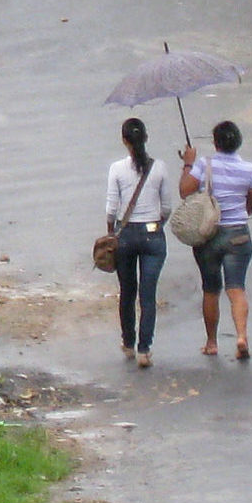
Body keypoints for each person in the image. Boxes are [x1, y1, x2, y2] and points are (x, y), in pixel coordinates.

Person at [179, 120, 252, 360]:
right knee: (237, 289)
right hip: (239, 235)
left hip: (209, 236)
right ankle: (242, 337)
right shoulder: (249, 170)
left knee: (211, 290)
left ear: (215, 143)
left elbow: (185, 191)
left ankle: (212, 342)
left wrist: (187, 163)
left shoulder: (204, 165)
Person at [104, 117, 171, 368]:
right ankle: (145, 349)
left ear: (124, 141)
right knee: (148, 294)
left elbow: (111, 208)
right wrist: (156, 226)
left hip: (126, 234)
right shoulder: (160, 168)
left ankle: (128, 343)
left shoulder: (117, 169)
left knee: (127, 292)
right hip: (153, 234)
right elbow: (167, 208)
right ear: (146, 138)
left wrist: (112, 232)